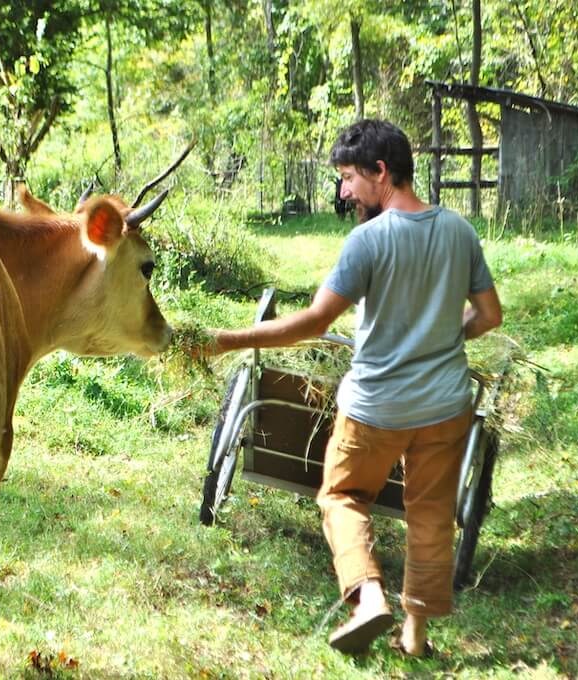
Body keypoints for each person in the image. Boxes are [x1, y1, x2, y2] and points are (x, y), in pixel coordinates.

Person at [194, 119, 503, 655]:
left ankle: (368, 599)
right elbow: (490, 315)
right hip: (446, 407)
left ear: (380, 172)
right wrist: (447, 333)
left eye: (348, 178)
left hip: (376, 408)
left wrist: (225, 339)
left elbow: (312, 324)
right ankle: (415, 634)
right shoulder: (459, 231)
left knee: (341, 495)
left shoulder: (367, 241)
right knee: (429, 515)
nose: (343, 192)